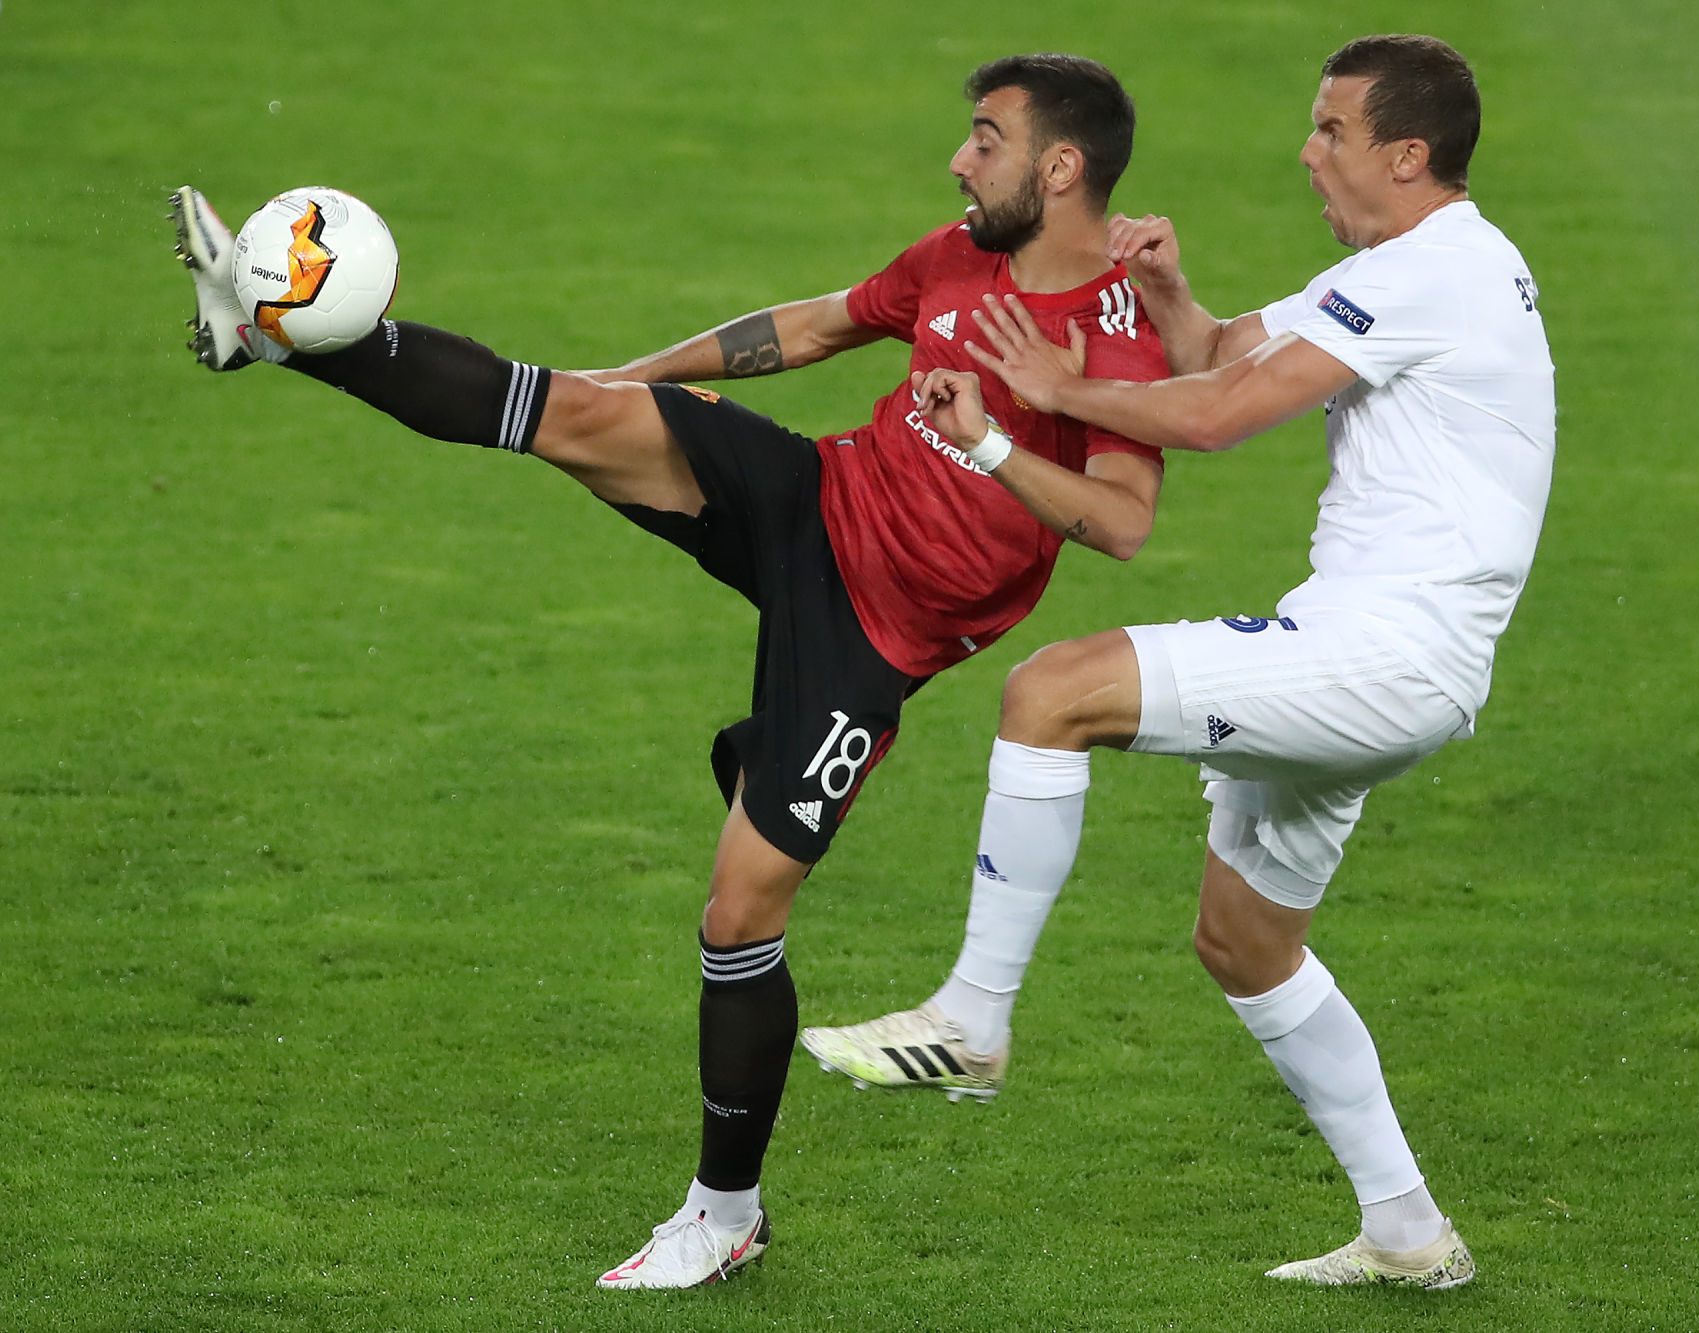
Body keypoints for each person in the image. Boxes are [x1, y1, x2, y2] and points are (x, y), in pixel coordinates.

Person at [169, 53, 1171, 1289]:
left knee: (739, 910)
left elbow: (1121, 524)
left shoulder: (1114, 339)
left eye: (985, 138)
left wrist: (991, 439)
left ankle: (724, 1212)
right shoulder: (957, 254)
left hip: (874, 636)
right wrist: (625, 387)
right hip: (813, 498)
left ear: (1059, 167)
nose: (959, 160)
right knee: (560, 412)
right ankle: (267, 329)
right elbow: (811, 327)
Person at [802, 34, 1554, 1290]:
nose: (1306, 152)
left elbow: (1208, 419)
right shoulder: (1404, 264)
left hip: (1383, 649)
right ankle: (1408, 1233)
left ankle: (971, 1020)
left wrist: (1053, 387)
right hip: (1382, 651)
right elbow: (1214, 354)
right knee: (1245, 941)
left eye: (1330, 131)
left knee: (1051, 691)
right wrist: (1165, 297)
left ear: (1406, 155)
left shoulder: (1440, 274)